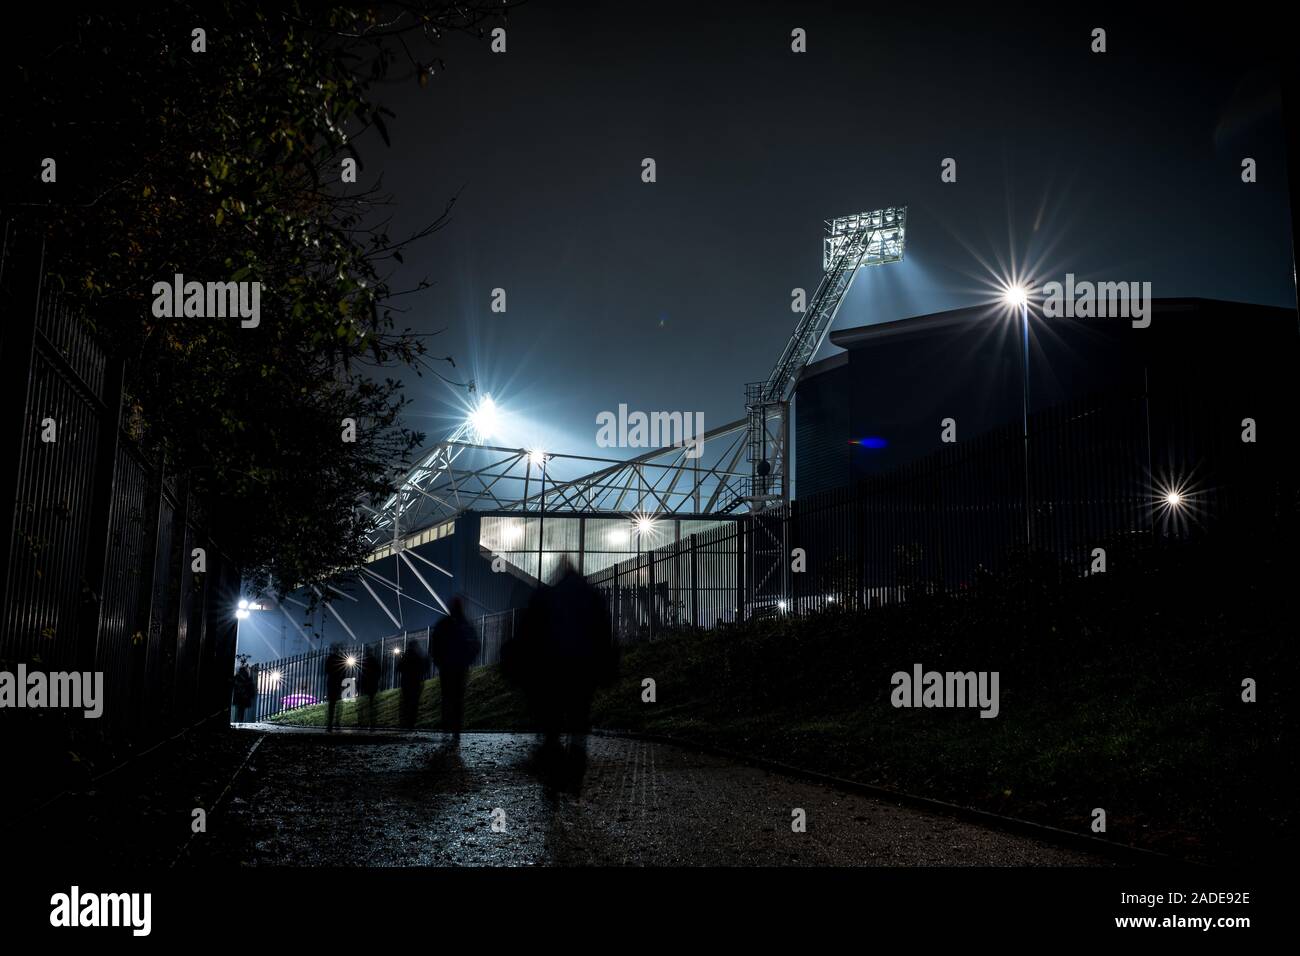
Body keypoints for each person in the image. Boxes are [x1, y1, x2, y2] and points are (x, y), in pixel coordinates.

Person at [521, 559, 617, 791]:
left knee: (553, 723)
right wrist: (606, 668)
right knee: (578, 723)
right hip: (583, 672)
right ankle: (575, 774)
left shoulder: (547, 596)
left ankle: (553, 777)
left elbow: (530, 633)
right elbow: (604, 636)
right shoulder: (592, 597)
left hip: (553, 671)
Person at [430, 598, 480, 749]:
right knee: (457, 698)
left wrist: (439, 661)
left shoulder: (443, 624)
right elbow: (475, 644)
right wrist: (468, 660)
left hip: (448, 667)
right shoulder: (465, 625)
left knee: (448, 697)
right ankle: (455, 730)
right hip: (458, 667)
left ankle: (448, 728)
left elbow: (434, 645)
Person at [395, 640, 428, 729]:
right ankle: (411, 722)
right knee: (413, 703)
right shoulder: (418, 656)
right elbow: (424, 668)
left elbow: (399, 668)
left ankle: (404, 722)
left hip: (406, 682)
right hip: (415, 682)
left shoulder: (405, 656)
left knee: (406, 702)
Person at [324, 644, 347, 732]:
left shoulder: (330, 659)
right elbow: (344, 671)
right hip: (338, 682)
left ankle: (330, 724)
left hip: (332, 682)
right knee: (338, 703)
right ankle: (337, 723)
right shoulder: (341, 659)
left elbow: (326, 670)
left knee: (332, 704)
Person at [358, 648, 381, 729]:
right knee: (372, 704)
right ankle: (371, 723)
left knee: (363, 704)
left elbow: (360, 674)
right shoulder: (374, 661)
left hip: (365, 684)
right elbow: (379, 671)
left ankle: (362, 722)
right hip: (372, 684)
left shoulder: (363, 661)